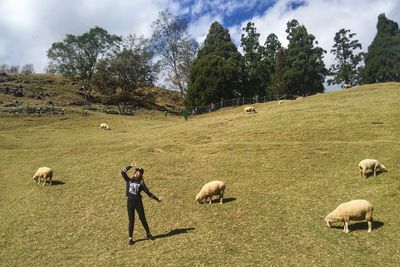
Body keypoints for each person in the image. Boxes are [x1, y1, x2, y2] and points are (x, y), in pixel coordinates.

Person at [121, 162, 162, 245]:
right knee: (131, 220)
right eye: (136, 172)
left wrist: (157, 199)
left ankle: (148, 234)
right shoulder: (129, 180)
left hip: (138, 202)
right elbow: (122, 172)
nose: (137, 173)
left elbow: (148, 193)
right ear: (134, 173)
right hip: (130, 202)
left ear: (141, 175)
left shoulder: (141, 184)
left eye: (139, 173)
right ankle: (130, 238)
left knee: (142, 218)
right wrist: (130, 166)